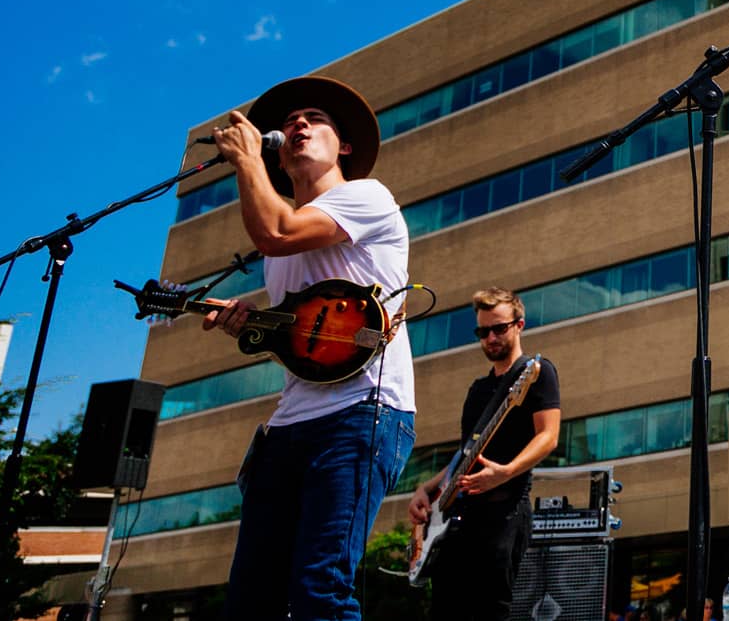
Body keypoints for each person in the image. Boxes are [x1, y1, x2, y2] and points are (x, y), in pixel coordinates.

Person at [203, 76, 417, 620]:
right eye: (289, 121)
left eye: (314, 119)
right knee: (251, 599)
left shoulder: (367, 196)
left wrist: (246, 158)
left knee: (320, 588)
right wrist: (251, 323)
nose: (298, 124)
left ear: (344, 146)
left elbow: (277, 232)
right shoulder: (278, 254)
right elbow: (305, 337)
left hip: (361, 412)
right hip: (289, 425)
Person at [407, 286, 563, 620]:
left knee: (490, 610)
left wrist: (505, 472)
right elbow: (463, 456)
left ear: (519, 325)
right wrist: (427, 488)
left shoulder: (537, 372)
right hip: (458, 521)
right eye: (483, 332)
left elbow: (548, 436)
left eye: (499, 328)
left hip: (504, 512)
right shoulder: (477, 390)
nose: (491, 338)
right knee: (443, 610)